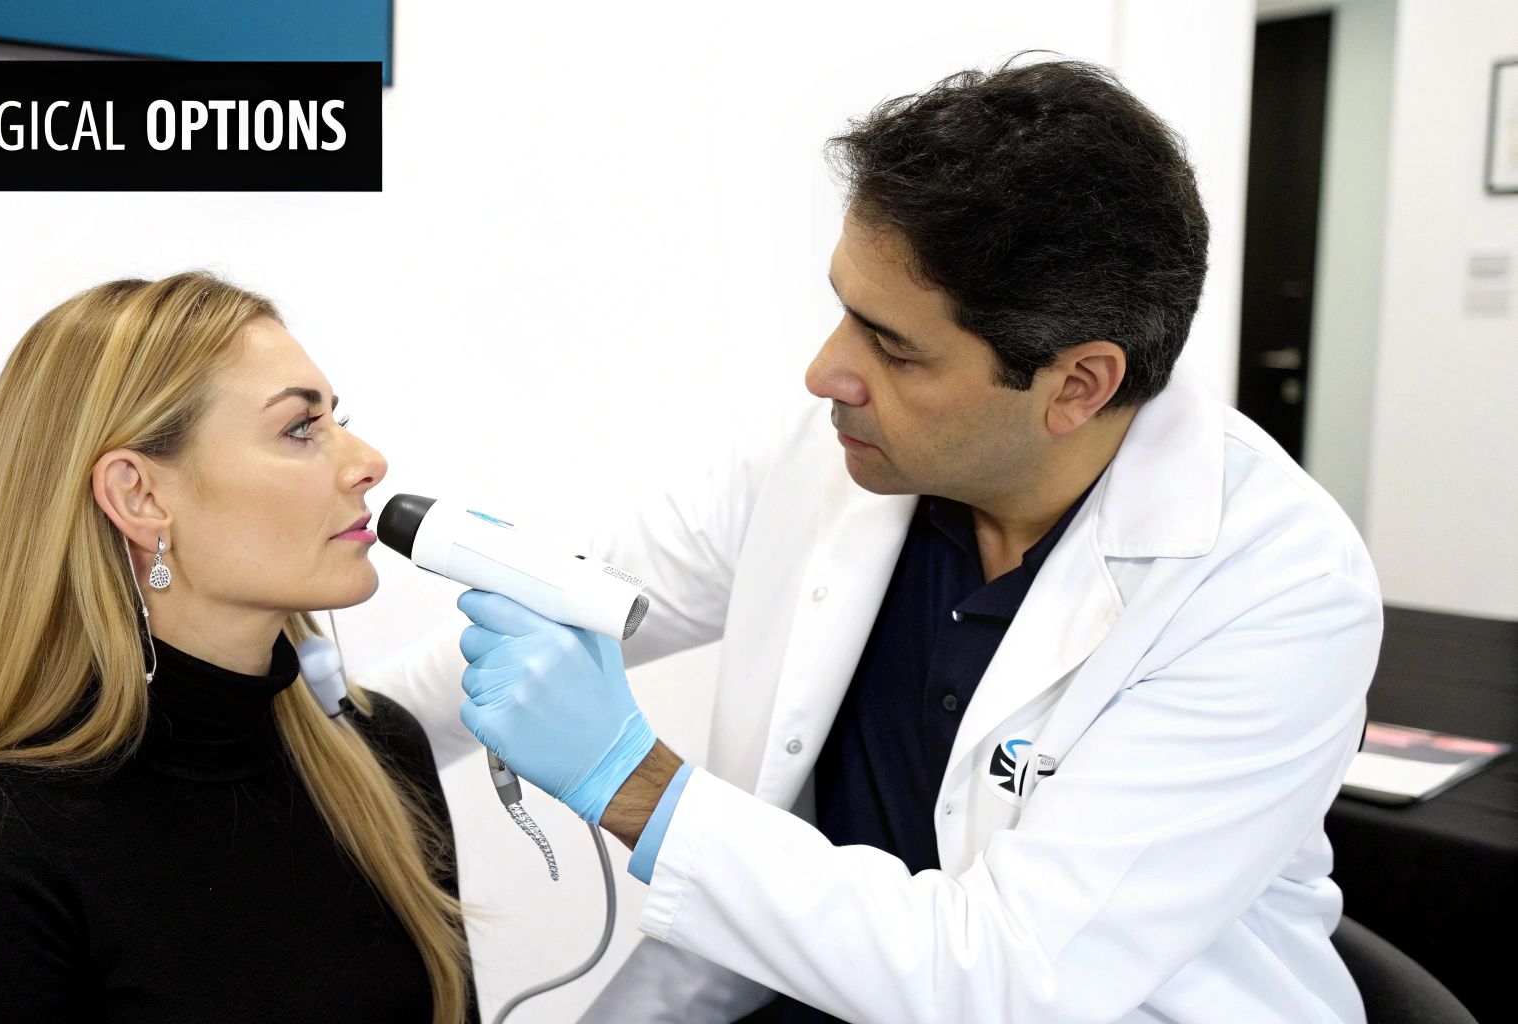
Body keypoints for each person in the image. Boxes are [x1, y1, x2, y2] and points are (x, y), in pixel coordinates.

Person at [372, 59, 1381, 1023]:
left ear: (1078, 385)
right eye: (845, 314)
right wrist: (329, 730)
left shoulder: (1272, 590)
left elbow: (1008, 976)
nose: (825, 373)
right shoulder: (836, 458)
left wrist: (629, 778)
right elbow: (575, 590)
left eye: (894, 348)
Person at [0, 272, 477, 1023]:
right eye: (301, 429)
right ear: (139, 496)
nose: (367, 461)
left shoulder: (378, 754)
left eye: (336, 419)